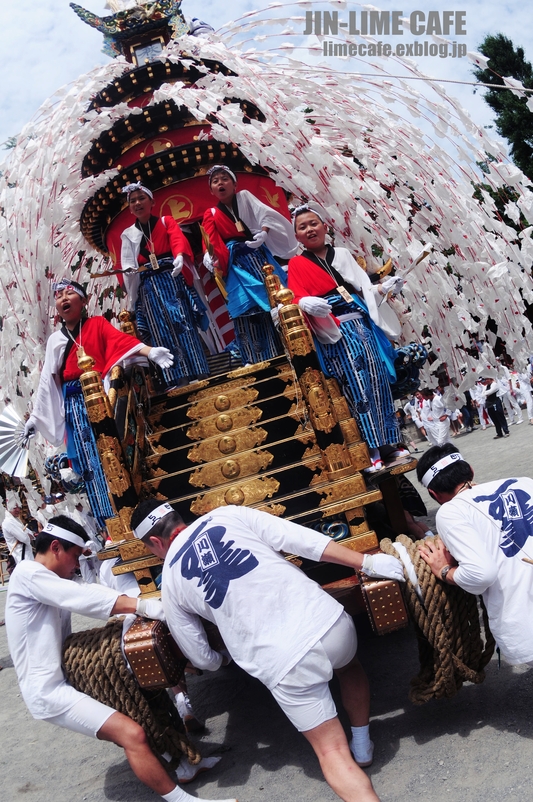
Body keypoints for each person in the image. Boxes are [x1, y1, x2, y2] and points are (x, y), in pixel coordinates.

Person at [132, 499, 406, 802]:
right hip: (329, 623)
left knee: (331, 751)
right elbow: (302, 540)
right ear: (177, 518)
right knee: (349, 666)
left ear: (155, 541)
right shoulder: (227, 514)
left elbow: (198, 656)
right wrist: (366, 562)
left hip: (283, 660)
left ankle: (356, 762)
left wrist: (220, 659)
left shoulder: (170, 580)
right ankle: (363, 741)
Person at [4, 514, 235, 802]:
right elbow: (80, 598)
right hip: (48, 692)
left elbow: (86, 590)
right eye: (75, 556)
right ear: (55, 548)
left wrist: (130, 611)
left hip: (63, 677)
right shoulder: (27, 575)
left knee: (146, 706)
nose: (77, 565)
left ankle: (185, 766)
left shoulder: (46, 577)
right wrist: (145, 606)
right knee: (132, 734)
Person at [22, 278, 173, 526]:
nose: (62, 299)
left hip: (102, 399)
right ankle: (109, 523)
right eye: (58, 296)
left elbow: (121, 342)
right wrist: (36, 420)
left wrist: (149, 351)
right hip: (74, 406)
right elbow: (47, 382)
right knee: (90, 462)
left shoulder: (98, 324)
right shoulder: (55, 341)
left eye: (69, 294)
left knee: (111, 454)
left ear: (84, 300)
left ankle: (130, 512)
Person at [287, 205, 403, 472]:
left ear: (325, 227)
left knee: (377, 381)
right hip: (335, 329)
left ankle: (390, 443)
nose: (309, 229)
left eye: (313, 223)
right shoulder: (296, 264)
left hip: (360, 322)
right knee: (356, 387)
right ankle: (369, 448)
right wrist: (305, 302)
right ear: (297, 237)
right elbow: (294, 297)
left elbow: (362, 288)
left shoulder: (342, 254)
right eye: (302, 227)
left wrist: (383, 287)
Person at [416, 444, 533, 666]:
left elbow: (481, 575)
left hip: (525, 620)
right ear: (470, 469)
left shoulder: (451, 512)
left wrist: (445, 570)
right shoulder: (524, 483)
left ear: (434, 494)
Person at [201, 165, 298, 364]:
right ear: (211, 190)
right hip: (236, 264)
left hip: (260, 257)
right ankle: (255, 358)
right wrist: (209, 256)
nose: (221, 183)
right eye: (215, 181)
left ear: (235, 183)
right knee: (246, 310)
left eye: (225, 178)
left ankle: (289, 349)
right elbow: (210, 239)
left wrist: (263, 233)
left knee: (276, 300)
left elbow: (265, 215)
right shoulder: (210, 213)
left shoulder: (245, 196)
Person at [120, 182, 210, 388]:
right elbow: (127, 267)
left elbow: (177, 240)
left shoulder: (165, 221)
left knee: (184, 323)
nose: (137, 203)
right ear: (130, 207)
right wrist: (133, 296)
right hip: (149, 286)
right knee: (160, 329)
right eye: (132, 201)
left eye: (141, 198)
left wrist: (178, 256)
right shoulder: (128, 234)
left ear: (152, 202)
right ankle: (175, 378)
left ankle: (198, 370)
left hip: (171, 278)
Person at [2, 496, 34, 564]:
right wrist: (25, 536)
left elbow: (31, 534)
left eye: (19, 507)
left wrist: (26, 536)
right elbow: (25, 538)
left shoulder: (16, 520)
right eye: (14, 508)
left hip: (28, 555)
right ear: (8, 507)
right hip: (21, 557)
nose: (18, 510)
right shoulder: (8, 522)